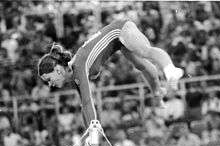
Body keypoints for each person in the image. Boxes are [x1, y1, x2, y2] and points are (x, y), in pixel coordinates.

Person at [38, 19, 183, 128]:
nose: (50, 84)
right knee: (140, 65)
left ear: (58, 70)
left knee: (144, 51)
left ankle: (170, 70)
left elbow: (89, 102)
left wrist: (93, 131)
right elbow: (84, 105)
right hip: (117, 43)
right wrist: (89, 134)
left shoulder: (78, 67)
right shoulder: (74, 77)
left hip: (120, 29)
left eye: (49, 79)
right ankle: (157, 91)